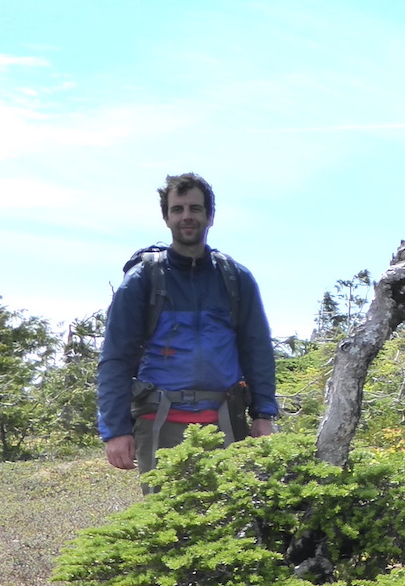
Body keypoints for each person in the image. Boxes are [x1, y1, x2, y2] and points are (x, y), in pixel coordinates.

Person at [97, 173, 279, 477]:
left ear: (210, 216)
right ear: (166, 218)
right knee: (167, 519)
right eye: (177, 209)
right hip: (159, 423)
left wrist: (263, 414)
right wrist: (115, 430)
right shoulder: (142, 281)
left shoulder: (235, 279)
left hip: (227, 422)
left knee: (231, 519)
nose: (187, 216)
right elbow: (116, 359)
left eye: (195, 208)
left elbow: (257, 350)